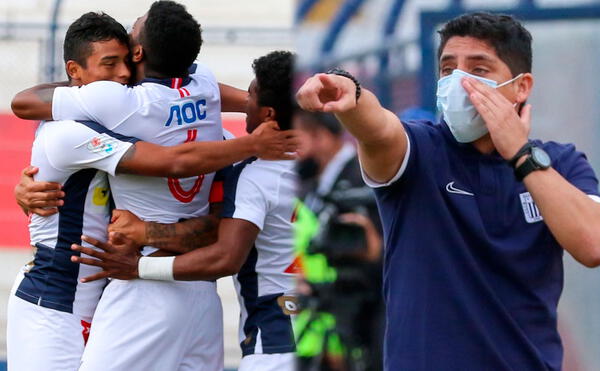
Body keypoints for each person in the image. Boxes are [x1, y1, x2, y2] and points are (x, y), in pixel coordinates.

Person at [295, 12, 600, 371]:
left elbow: (595, 245)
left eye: (478, 70)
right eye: (448, 70)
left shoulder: (559, 161)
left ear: (521, 87)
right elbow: (379, 129)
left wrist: (520, 155)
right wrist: (351, 93)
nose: (458, 83)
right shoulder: (420, 150)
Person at [7, 12, 296, 371]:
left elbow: (179, 161)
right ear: (75, 72)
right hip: (57, 298)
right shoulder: (77, 128)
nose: (123, 74)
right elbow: (177, 156)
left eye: (127, 61)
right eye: (111, 64)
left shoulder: (127, 108)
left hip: (135, 284)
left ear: (140, 55)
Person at [72, 50, 299, 371]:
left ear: (268, 113)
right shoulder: (340, 164)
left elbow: (224, 256)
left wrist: (139, 260)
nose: (242, 102)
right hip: (336, 338)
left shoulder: (250, 173)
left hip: (274, 342)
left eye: (249, 95)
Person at [293, 111, 383, 371]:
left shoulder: (364, 177)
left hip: (367, 313)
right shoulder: (309, 185)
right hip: (323, 304)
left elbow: (387, 251)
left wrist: (374, 250)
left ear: (320, 137)